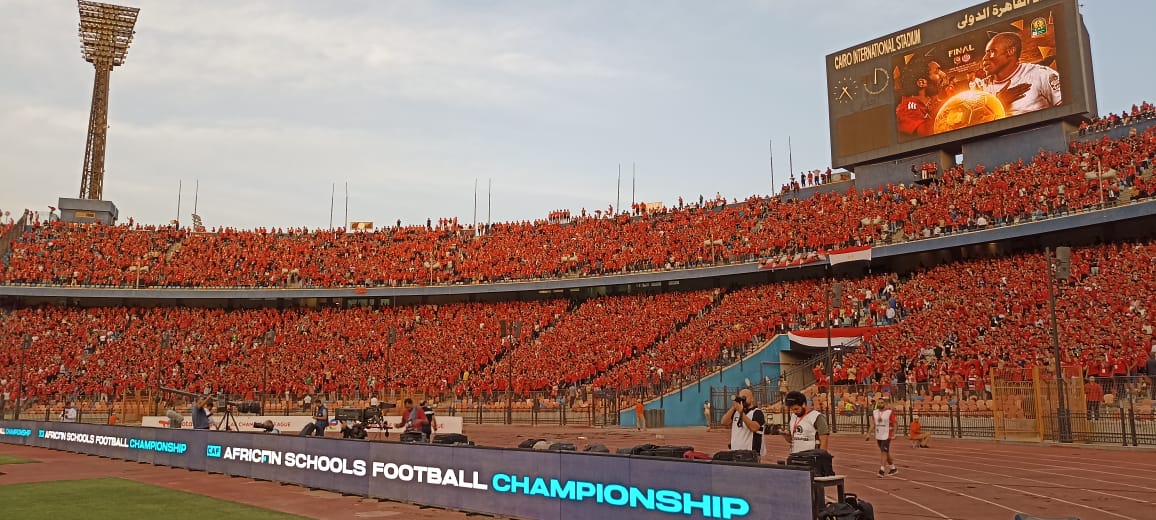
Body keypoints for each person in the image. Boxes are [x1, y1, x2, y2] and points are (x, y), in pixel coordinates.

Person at [981, 32, 1061, 116]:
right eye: (986, 53)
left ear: (1010, 51)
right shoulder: (982, 87)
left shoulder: (1040, 74)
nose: (985, 58)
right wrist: (998, 102)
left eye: (991, 52)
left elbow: (1066, 111)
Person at [723, 388, 766, 456]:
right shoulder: (735, 411)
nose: (743, 400)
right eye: (741, 397)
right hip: (735, 452)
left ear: (752, 399)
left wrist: (741, 412)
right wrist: (734, 406)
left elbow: (754, 428)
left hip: (751, 454)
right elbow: (724, 422)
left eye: (745, 397)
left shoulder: (757, 412)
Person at [865, 398, 898, 477]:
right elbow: (873, 423)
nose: (880, 404)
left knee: (883, 451)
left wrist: (894, 433)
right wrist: (868, 434)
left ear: (885, 404)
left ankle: (882, 470)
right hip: (879, 434)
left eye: (882, 403)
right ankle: (893, 468)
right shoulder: (875, 412)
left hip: (887, 435)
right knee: (885, 452)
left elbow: (895, 423)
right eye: (879, 403)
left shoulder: (889, 412)